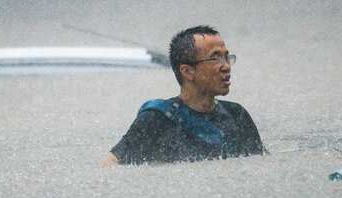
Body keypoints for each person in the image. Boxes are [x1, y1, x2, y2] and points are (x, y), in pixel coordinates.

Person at [103, 25, 266, 165]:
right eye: (215, 58)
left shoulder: (237, 114)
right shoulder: (158, 117)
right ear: (187, 71)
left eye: (226, 57)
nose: (226, 67)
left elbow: (259, 163)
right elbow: (111, 164)